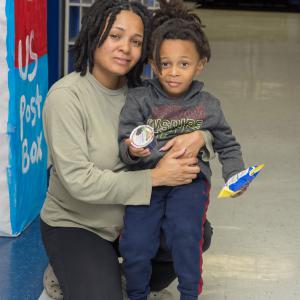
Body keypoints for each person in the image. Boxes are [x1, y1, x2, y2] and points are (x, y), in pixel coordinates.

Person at [39, 1, 214, 300]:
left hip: (133, 218)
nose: (125, 48)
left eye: (135, 41)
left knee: (197, 232)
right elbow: (79, 181)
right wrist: (155, 178)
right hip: (79, 223)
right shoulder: (66, 98)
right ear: (94, 35)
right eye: (115, 36)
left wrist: (200, 137)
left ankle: (116, 272)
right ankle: (69, 270)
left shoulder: (144, 94)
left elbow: (200, 115)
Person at [117, 1, 246, 300]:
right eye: (165, 64)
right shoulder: (139, 100)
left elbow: (227, 143)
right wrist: (134, 151)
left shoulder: (208, 104)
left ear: (200, 64)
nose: (173, 72)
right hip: (146, 183)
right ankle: (136, 294)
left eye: (184, 64)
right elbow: (125, 145)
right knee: (136, 244)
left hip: (189, 183)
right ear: (153, 62)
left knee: (186, 236)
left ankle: (189, 294)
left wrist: (235, 174)